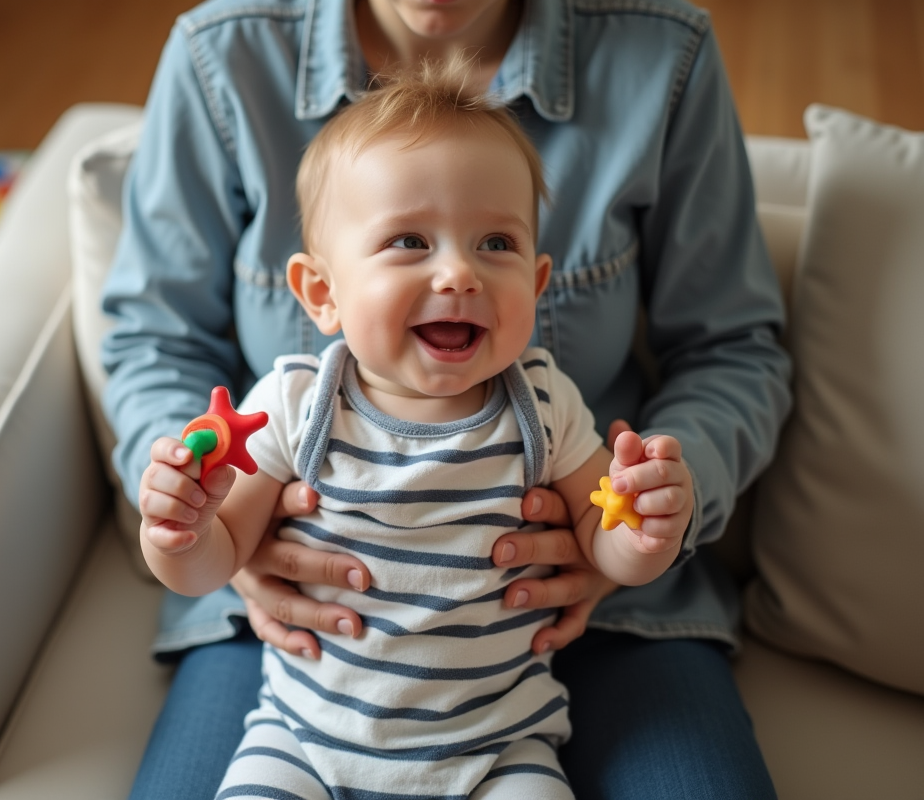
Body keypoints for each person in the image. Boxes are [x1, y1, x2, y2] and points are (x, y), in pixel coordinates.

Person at [101, 0, 791, 798]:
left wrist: (654, 516)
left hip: (509, 719)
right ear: (318, 293)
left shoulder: (545, 402)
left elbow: (637, 498)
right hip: (305, 695)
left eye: (495, 243)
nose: (458, 275)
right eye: (408, 243)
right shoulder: (294, 401)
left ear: (536, 281)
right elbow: (163, 386)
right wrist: (191, 523)